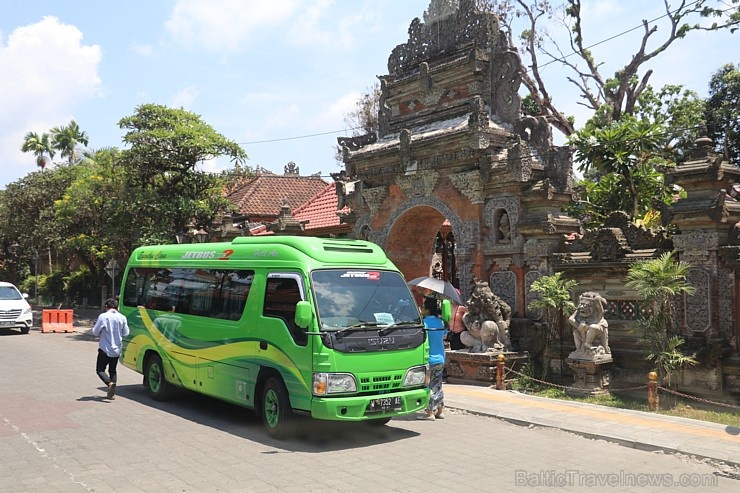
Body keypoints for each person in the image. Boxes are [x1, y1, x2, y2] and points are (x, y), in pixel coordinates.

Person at [92, 298, 130, 400]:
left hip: (105, 348)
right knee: (113, 370)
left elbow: (95, 331)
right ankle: (111, 393)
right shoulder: (122, 317)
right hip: (117, 349)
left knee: (100, 370)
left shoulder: (103, 316)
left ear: (106, 306)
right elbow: (126, 333)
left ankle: (109, 384)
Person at [418, 297, 447, 420]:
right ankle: (440, 410)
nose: (422, 309)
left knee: (428, 385)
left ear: (428, 310)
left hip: (428, 359)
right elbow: (444, 336)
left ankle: (430, 412)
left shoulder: (424, 323)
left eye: (423, 307)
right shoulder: (441, 322)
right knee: (438, 384)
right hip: (440, 357)